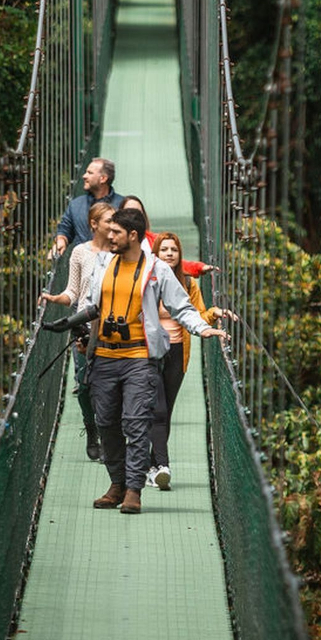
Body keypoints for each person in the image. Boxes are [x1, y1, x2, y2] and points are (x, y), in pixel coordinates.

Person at [78, 208, 228, 514]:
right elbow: (92, 304)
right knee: (106, 422)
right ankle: (116, 484)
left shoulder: (157, 269)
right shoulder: (103, 262)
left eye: (116, 232)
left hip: (139, 357)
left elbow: (181, 307)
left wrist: (203, 327)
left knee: (135, 422)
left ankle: (133, 489)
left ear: (132, 235)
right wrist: (78, 329)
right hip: (104, 355)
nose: (110, 236)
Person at [146, 232, 235, 491]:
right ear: (156, 254)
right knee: (157, 409)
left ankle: (153, 467)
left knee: (166, 411)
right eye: (164, 249)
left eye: (174, 249)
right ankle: (162, 465)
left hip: (177, 351)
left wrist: (215, 313)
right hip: (151, 351)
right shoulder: (147, 280)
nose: (170, 253)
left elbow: (196, 316)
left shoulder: (188, 283)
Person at [40, 201, 115, 460]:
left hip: (110, 327)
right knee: (84, 387)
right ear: (94, 224)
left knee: (107, 387)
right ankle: (91, 427)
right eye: (108, 220)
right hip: (82, 325)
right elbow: (72, 293)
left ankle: (108, 437)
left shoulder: (121, 253)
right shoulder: (80, 252)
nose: (113, 225)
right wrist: (54, 298)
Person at [119, 195, 216, 277]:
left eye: (138, 212)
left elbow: (176, 263)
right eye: (129, 211)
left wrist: (199, 267)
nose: (133, 216)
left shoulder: (155, 241)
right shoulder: (113, 241)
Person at [53, 158, 122, 256]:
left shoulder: (122, 204)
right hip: (82, 263)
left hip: (113, 264)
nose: (84, 176)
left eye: (90, 173)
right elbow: (65, 228)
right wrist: (61, 239)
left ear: (103, 178)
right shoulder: (76, 204)